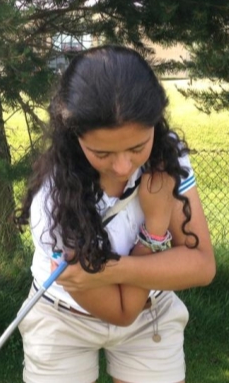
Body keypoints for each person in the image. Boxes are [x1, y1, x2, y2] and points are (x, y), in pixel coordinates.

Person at [16, 45, 215, 383]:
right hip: (61, 318)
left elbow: (202, 265)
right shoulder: (52, 201)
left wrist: (108, 269)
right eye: (102, 152)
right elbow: (122, 312)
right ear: (74, 135)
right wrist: (155, 228)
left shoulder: (168, 157)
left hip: (152, 312)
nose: (123, 166)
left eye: (138, 147)